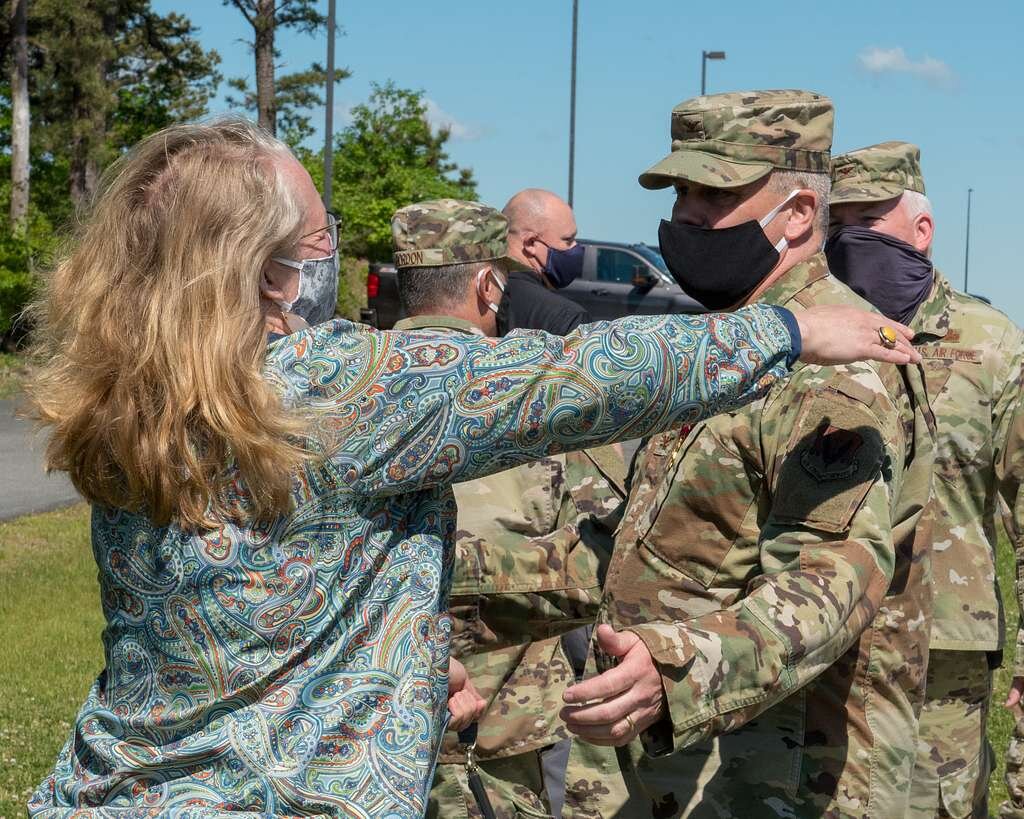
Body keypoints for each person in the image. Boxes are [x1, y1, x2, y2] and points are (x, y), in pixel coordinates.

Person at [23, 117, 915, 817]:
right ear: (265, 272)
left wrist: (393, 668)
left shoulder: (134, 393)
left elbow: (262, 618)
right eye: (322, 236)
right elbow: (571, 378)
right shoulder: (323, 391)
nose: (332, 256)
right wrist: (790, 330)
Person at [560, 90, 936, 818]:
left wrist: (677, 673)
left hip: (769, 775)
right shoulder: (728, 344)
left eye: (716, 192)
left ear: (798, 214)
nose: (687, 216)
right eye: (682, 193)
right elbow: (660, 542)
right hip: (674, 763)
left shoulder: (836, 366)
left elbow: (834, 575)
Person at [389, 199, 626, 818]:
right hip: (505, 732)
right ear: (486, 284)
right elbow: (608, 545)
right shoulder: (535, 392)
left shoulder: (342, 386)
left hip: (373, 719)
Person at [826, 140, 1024, 819]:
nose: (851, 241)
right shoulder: (803, 337)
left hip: (941, 656)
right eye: (837, 224)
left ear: (922, 230)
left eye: (869, 220)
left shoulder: (992, 344)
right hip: (812, 642)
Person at [498, 188, 590, 335]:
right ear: (531, 243)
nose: (576, 247)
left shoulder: (476, 300)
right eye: (568, 240)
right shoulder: (567, 319)